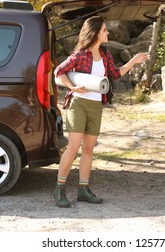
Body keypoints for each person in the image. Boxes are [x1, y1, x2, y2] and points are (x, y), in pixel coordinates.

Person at [53, 16, 149, 208]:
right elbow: (58, 72)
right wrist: (72, 87)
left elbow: (115, 74)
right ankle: (59, 188)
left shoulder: (105, 55)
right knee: (73, 147)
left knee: (88, 149)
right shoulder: (80, 55)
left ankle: (83, 190)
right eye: (105, 30)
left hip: (96, 106)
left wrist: (134, 61)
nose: (108, 33)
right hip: (78, 104)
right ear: (96, 32)